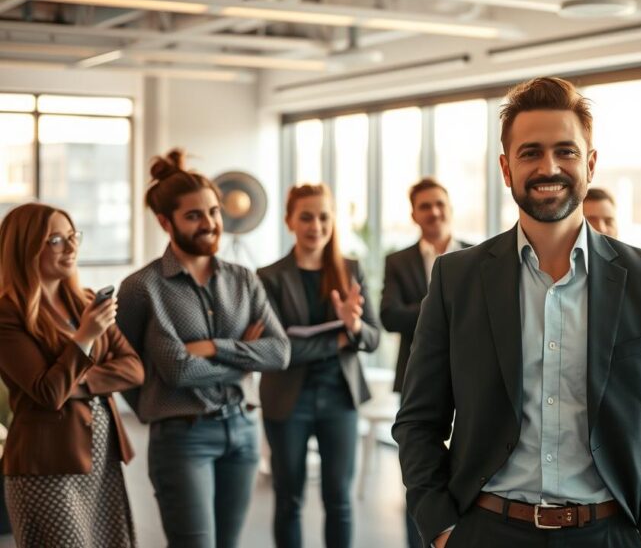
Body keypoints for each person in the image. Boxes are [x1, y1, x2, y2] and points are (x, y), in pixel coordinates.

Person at [393, 76, 641, 548]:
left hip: (612, 533)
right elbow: (418, 421)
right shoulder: (455, 279)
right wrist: (442, 528)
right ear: (506, 168)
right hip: (486, 531)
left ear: (590, 163)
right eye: (531, 153)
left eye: (566, 151)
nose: (549, 166)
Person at [116, 149, 290, 548]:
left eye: (213, 211)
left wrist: (212, 347)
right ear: (165, 222)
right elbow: (162, 371)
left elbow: (279, 352)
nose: (210, 223)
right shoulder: (143, 289)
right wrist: (244, 357)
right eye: (194, 215)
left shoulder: (243, 279)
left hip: (243, 430)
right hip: (181, 437)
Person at [0, 203, 144, 547]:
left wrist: (79, 385)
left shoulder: (87, 301)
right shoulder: (8, 313)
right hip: (45, 466)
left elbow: (133, 368)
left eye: (72, 236)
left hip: (100, 460)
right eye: (56, 240)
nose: (71, 247)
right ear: (27, 246)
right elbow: (48, 393)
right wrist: (86, 336)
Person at [258, 183, 382, 548]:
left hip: (339, 399)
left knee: (339, 501)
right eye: (306, 217)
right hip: (287, 401)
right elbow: (277, 350)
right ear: (289, 221)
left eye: (324, 217)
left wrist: (355, 326)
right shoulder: (269, 277)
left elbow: (372, 338)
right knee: (289, 499)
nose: (316, 225)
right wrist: (338, 340)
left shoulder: (351, 270)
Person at [380, 177, 471, 548]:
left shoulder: (477, 256)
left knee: (468, 469)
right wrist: (441, 306)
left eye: (439, 204)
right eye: (424, 206)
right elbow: (389, 316)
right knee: (420, 473)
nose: (433, 212)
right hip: (417, 378)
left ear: (449, 207)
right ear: (414, 214)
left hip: (470, 378)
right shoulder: (397, 261)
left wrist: (421, 307)